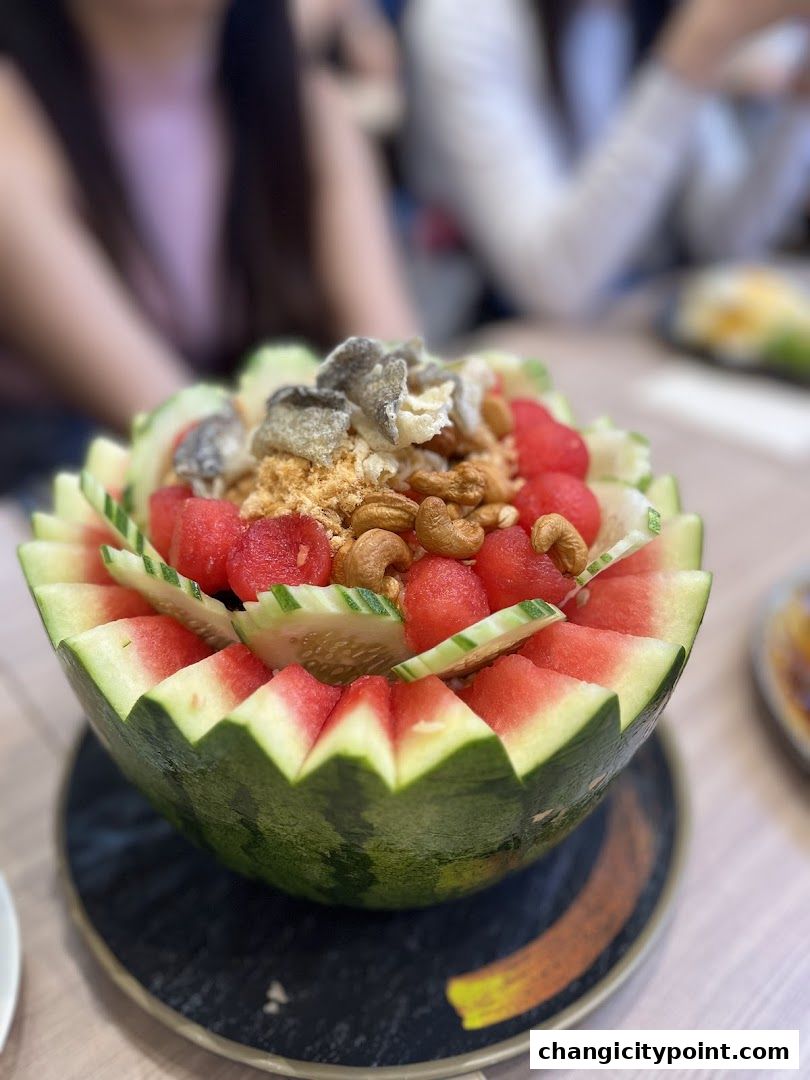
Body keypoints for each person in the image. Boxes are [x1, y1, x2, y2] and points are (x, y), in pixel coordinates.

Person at [0, 0, 416, 470]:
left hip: (262, 458)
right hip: (84, 470)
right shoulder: (12, 132)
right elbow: (175, 423)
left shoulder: (307, 107)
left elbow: (396, 370)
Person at [404, 0, 810, 321]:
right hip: (506, 343)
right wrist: (695, 52)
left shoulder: (646, 14)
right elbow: (552, 287)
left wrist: (799, 101)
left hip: (627, 330)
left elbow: (726, 239)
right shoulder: (469, 18)